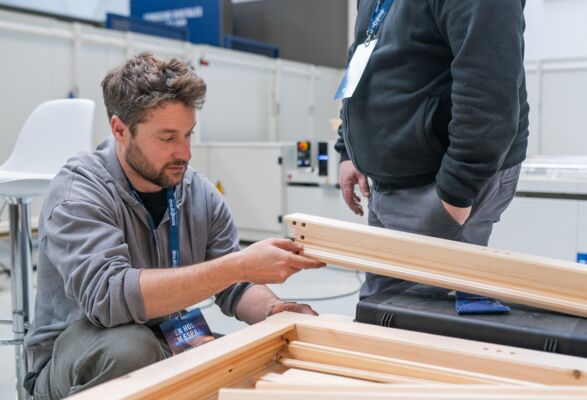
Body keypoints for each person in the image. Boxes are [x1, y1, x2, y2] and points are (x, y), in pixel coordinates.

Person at [23, 52, 325, 399]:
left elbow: (237, 286)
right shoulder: (78, 192)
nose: (185, 153)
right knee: (131, 349)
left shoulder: (196, 191)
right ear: (120, 130)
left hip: (167, 339)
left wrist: (276, 312)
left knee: (249, 364)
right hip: (76, 358)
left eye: (188, 134)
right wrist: (238, 265)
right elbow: (110, 299)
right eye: (167, 138)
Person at [336, 0, 530, 300]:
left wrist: (456, 191)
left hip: (438, 182)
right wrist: (348, 149)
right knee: (383, 306)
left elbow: (488, 90)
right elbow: (363, 55)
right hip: (391, 182)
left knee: (420, 314)